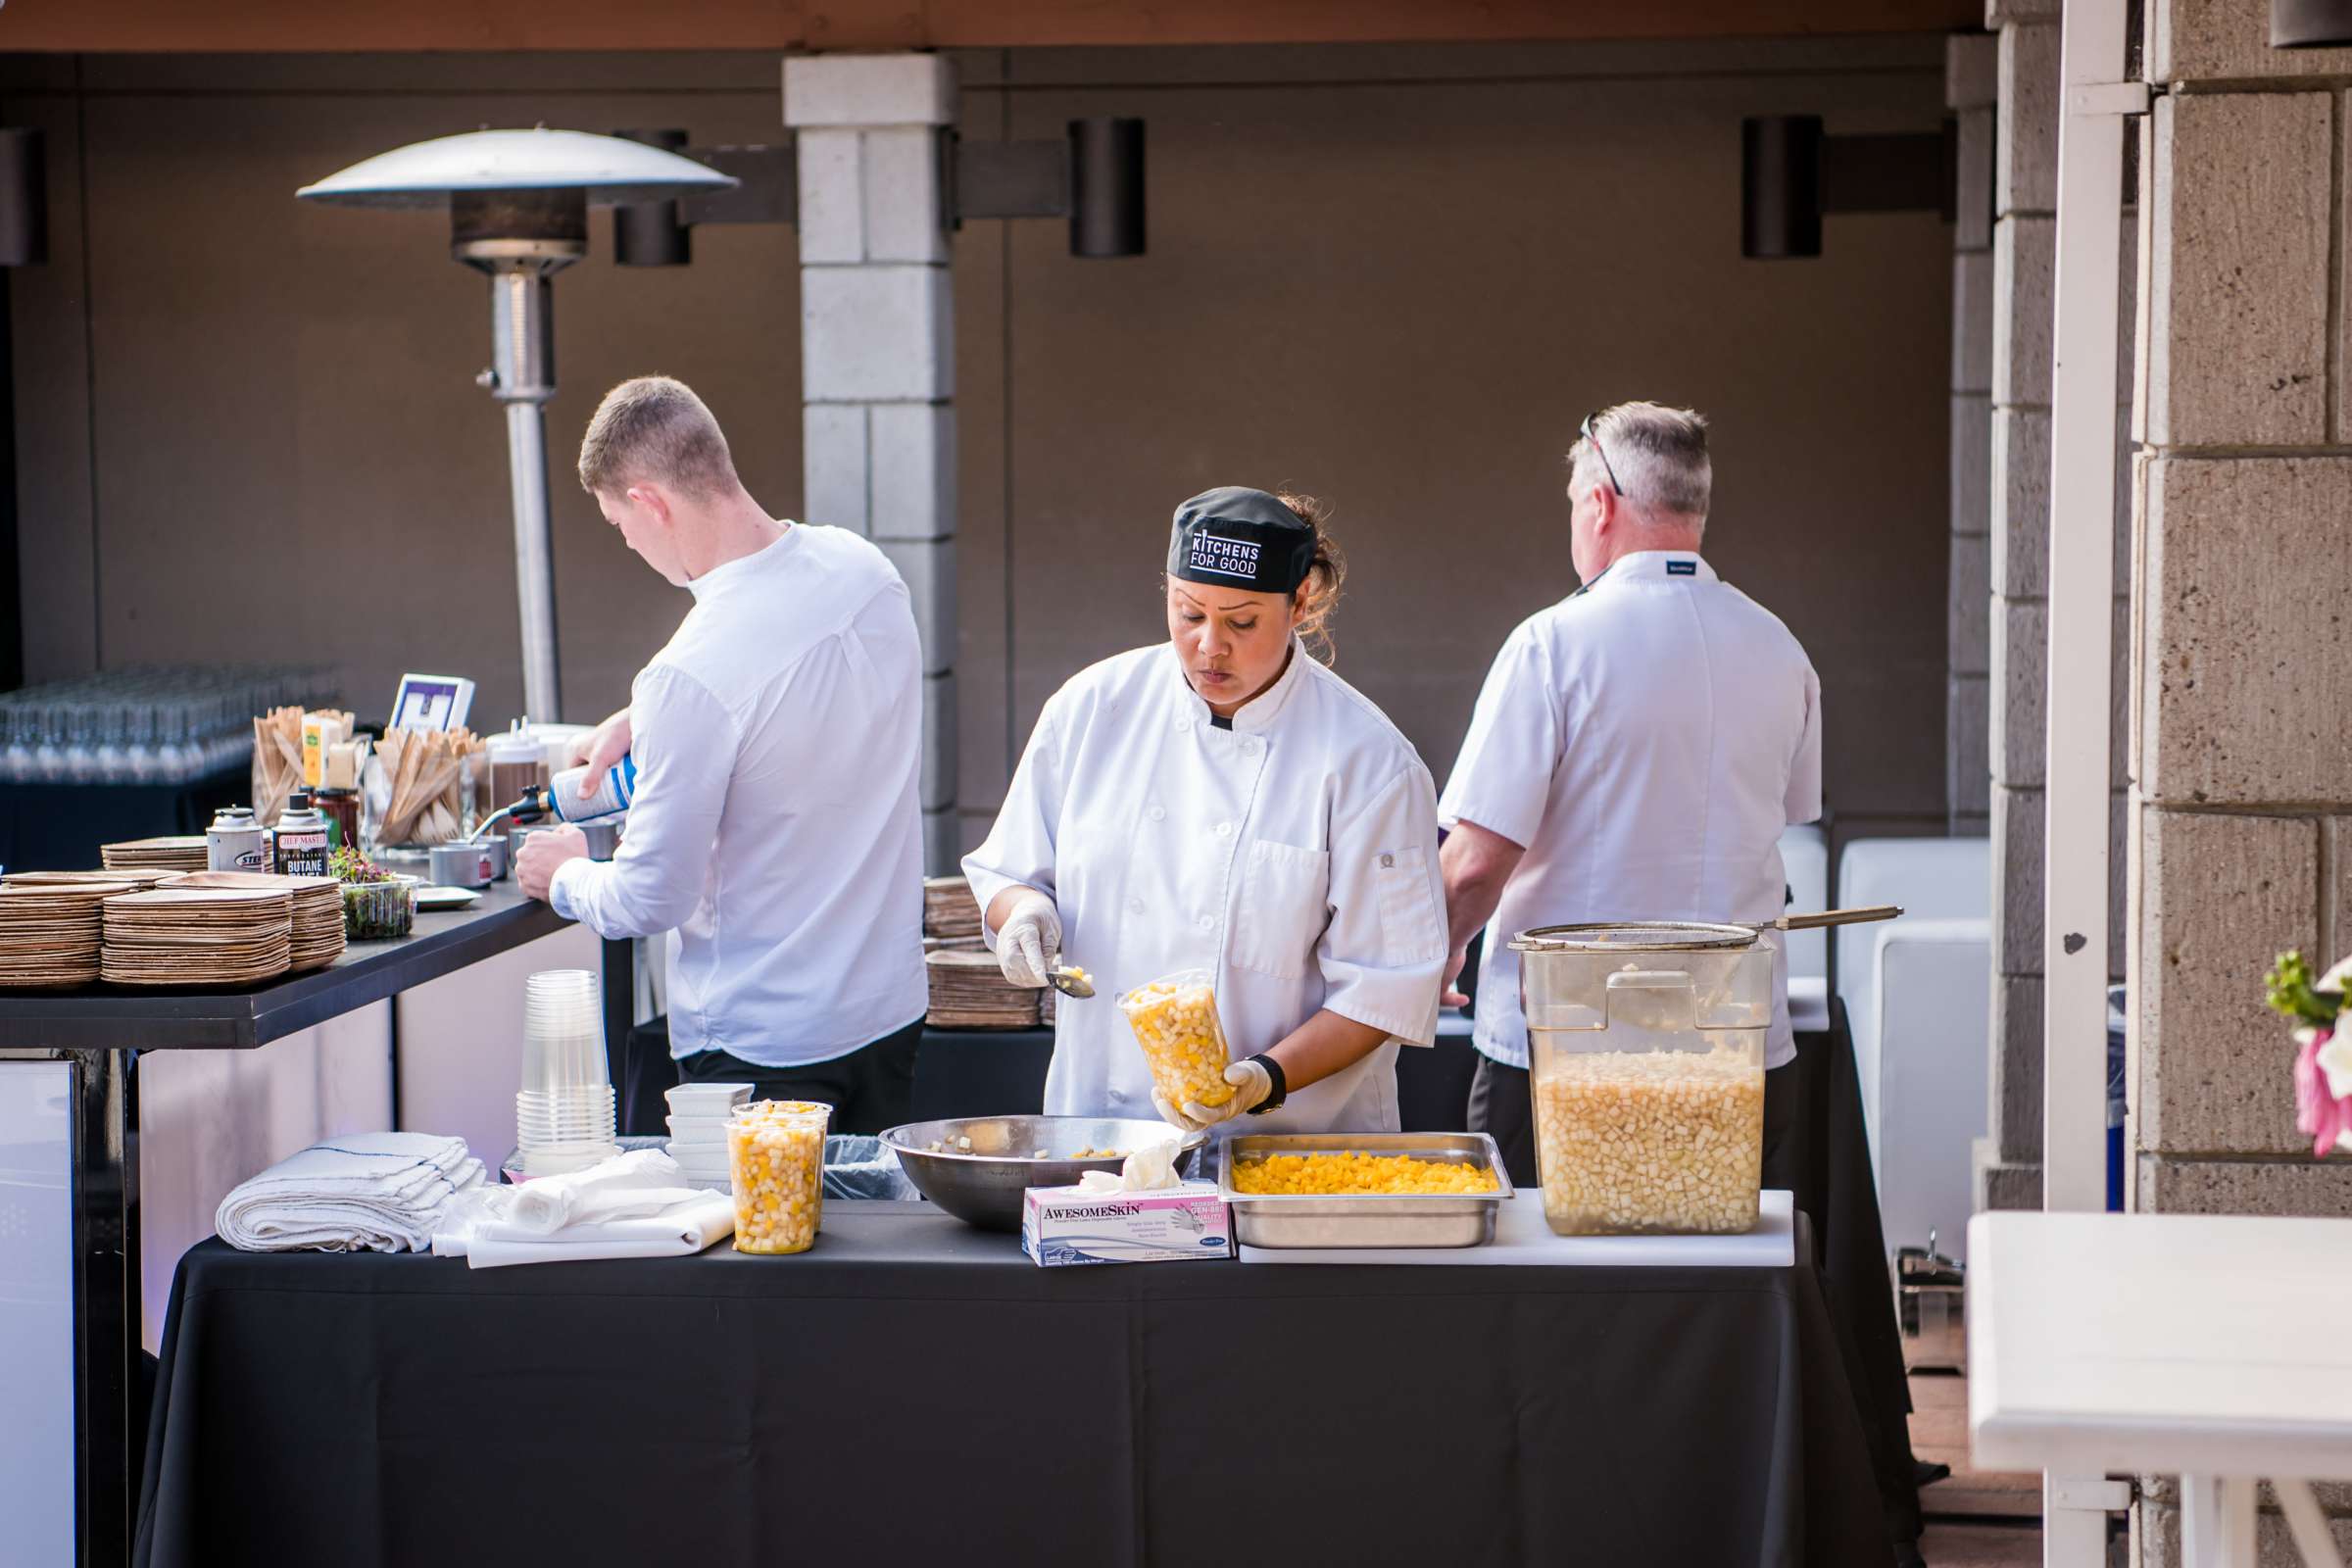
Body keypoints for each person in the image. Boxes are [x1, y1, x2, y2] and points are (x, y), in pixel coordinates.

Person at [962, 486, 1447, 1136]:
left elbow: (1385, 989)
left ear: (1300, 602)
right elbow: (1009, 870)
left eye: (1241, 622)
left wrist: (1263, 1079)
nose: (1209, 647)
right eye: (1188, 613)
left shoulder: (1369, 763)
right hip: (1096, 1137)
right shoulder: (1093, 709)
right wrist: (1022, 911)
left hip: (1285, 1149)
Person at [514, 375, 927, 1133]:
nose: (628, 542)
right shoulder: (869, 574)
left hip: (760, 1051)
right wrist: (642, 717)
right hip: (888, 1012)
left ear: (649, 503)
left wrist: (565, 872)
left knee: (764, 1251)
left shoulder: (689, 674)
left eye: (616, 523)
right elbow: (784, 684)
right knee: (873, 1248)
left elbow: (649, 899)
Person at [1438, 402, 1823, 1188]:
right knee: (1712, 1284)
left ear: (1599, 504)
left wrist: (1432, 952)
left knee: (1548, 1287)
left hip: (1568, 1051)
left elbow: (1476, 862)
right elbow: (1781, 821)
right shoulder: (1781, 647)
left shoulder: (1551, 644)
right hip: (1735, 1046)